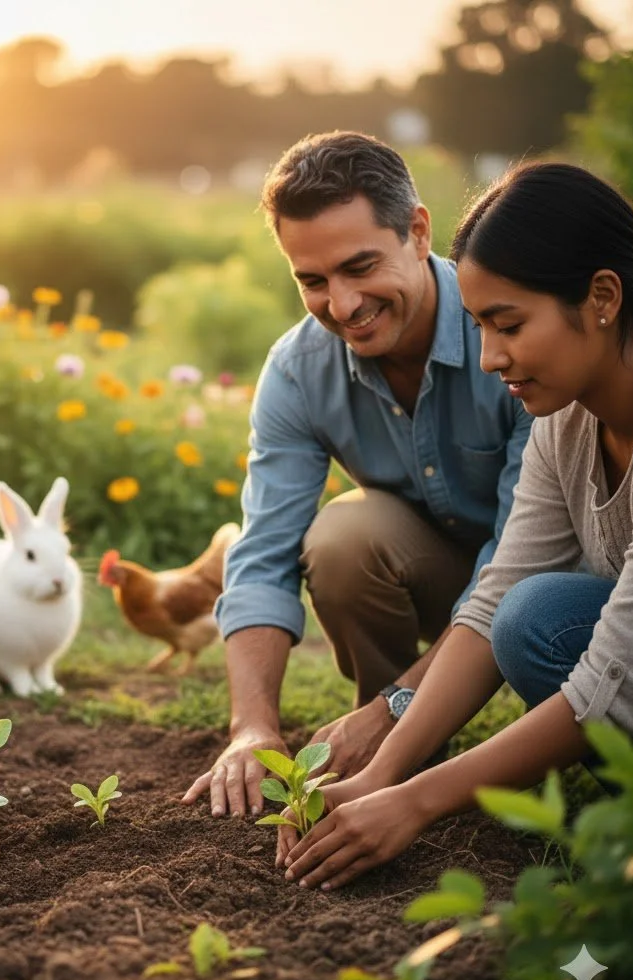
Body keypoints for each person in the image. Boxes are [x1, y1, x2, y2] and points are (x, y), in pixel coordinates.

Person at [280, 162, 633, 891]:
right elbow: (493, 598)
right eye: (478, 327)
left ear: (602, 297)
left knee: (540, 621)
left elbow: (616, 673)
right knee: (527, 615)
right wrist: (381, 774)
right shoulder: (566, 419)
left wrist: (416, 803)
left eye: (509, 325)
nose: (489, 358)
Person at [182, 132, 532, 818]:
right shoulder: (298, 370)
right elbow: (263, 554)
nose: (342, 306)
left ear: (418, 232)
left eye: (360, 267)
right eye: (312, 281)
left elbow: (528, 557)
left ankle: (400, 720)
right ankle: (398, 741)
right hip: (439, 577)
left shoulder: (509, 333)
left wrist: (396, 706)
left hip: (537, 581)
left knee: (531, 603)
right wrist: (251, 727)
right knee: (343, 537)